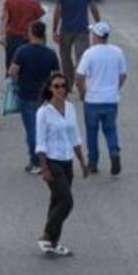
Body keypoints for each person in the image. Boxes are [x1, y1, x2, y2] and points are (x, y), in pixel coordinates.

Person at [35, 72, 89, 257]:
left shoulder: (70, 108)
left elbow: (75, 137)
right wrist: (44, 167)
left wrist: (82, 162)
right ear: (50, 88)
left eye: (63, 86)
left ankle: (53, 242)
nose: (60, 90)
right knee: (67, 201)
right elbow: (40, 141)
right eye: (56, 86)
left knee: (56, 200)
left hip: (67, 160)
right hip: (52, 160)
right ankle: (47, 234)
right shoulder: (43, 112)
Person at [75, 21, 127, 176]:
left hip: (92, 100)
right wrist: (115, 88)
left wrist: (83, 91)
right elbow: (123, 74)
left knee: (92, 131)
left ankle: (93, 162)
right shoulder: (117, 52)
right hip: (111, 99)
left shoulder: (89, 53)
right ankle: (114, 151)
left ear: (96, 36)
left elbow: (79, 75)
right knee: (110, 129)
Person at [9, 20, 60, 173]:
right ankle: (50, 158)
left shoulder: (22, 51)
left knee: (32, 130)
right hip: (45, 97)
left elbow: (13, 71)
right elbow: (57, 75)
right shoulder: (50, 53)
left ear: (31, 33)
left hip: (27, 95)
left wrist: (16, 81)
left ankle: (36, 161)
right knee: (46, 128)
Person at [53, 0, 100, 88]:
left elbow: (58, 12)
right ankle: (81, 85)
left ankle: (68, 84)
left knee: (66, 58)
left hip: (66, 28)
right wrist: (98, 23)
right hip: (82, 28)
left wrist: (54, 30)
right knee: (82, 58)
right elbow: (93, 7)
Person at [1, 0, 44, 73]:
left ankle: (10, 86)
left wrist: (3, 36)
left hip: (12, 38)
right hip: (28, 38)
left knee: (10, 65)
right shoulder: (34, 3)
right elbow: (39, 23)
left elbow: (4, 19)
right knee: (29, 67)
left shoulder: (9, 1)